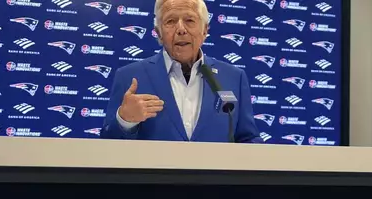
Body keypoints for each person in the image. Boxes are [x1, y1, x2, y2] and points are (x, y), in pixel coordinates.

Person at [102, 0, 263, 143]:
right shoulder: (129, 77)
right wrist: (125, 120)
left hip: (214, 177)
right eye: (171, 21)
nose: (181, 29)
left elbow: (248, 139)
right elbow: (106, 147)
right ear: (158, 33)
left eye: (190, 20)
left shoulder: (234, 77)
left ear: (205, 30)